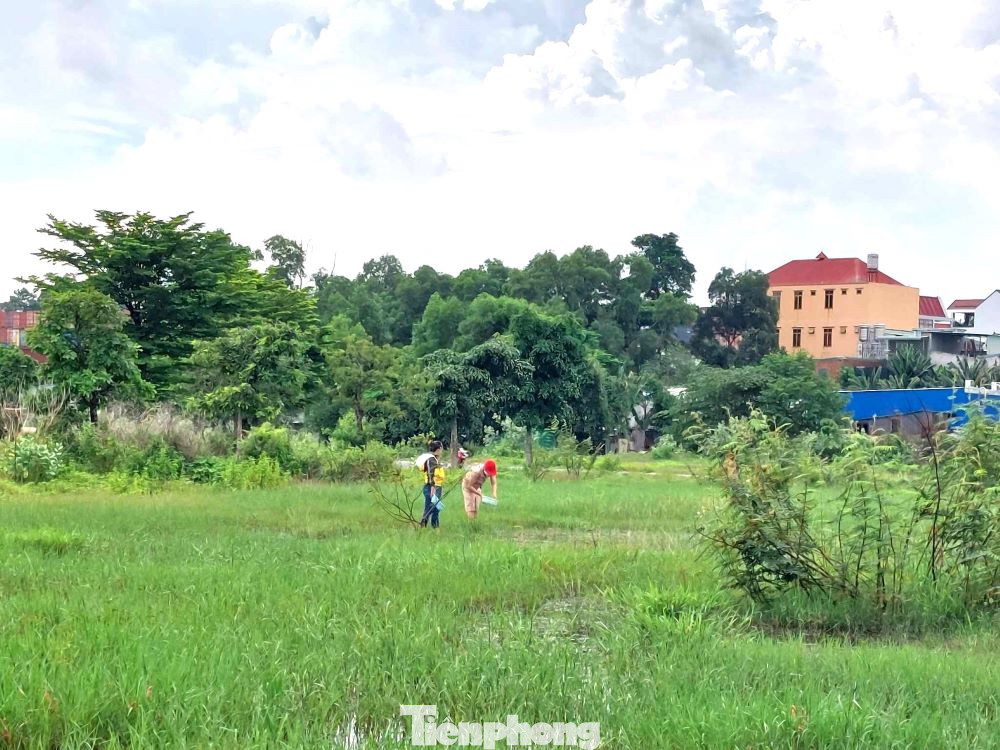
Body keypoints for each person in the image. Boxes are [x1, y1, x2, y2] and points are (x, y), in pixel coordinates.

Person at [419, 440, 446, 528]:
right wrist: (433, 487)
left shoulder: (435, 460)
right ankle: (424, 524)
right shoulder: (431, 460)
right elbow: (431, 474)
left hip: (437, 487)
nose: (442, 450)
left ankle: (433, 527)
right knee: (432, 507)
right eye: (441, 448)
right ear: (438, 449)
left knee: (434, 508)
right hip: (431, 487)